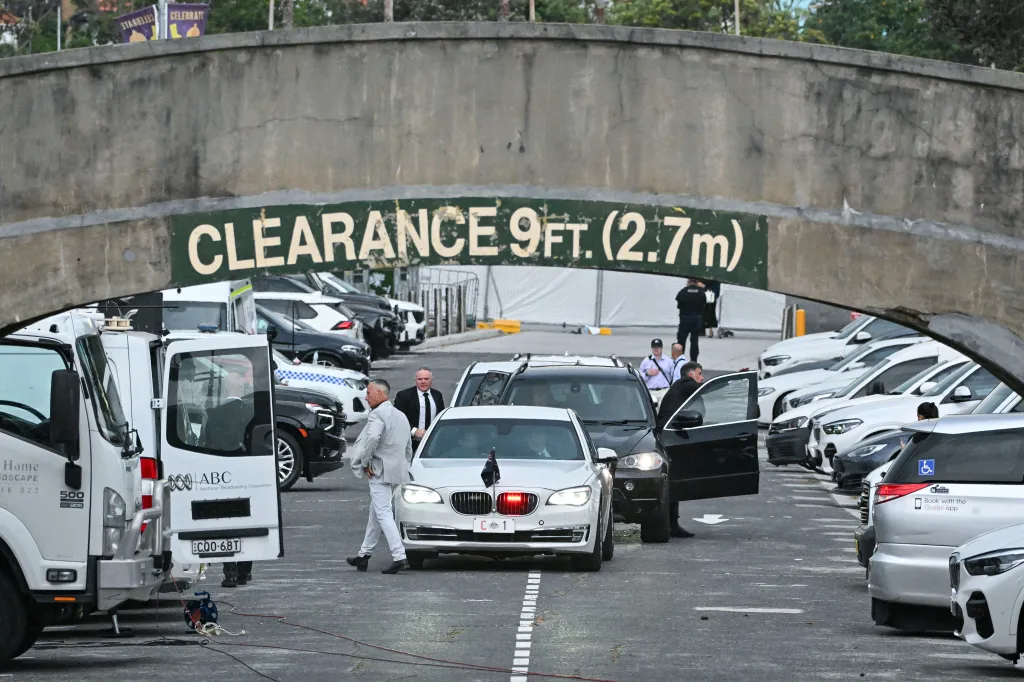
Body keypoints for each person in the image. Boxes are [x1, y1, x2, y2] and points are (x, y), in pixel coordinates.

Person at [346, 379, 415, 575]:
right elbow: (407, 446)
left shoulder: (377, 414)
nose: (366, 397)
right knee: (376, 513)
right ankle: (364, 555)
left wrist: (366, 462)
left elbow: (373, 438)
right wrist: (404, 466)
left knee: (383, 513)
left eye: (368, 393)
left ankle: (399, 556)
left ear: (380, 393)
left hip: (379, 470)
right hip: (396, 471)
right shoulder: (401, 415)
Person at [654, 361, 705, 539]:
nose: (701, 377)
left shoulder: (680, 387)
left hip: (668, 436)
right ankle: (669, 524)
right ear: (690, 375)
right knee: (672, 481)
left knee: (674, 481)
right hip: (667, 437)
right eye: (699, 374)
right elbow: (704, 388)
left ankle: (672, 524)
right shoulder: (686, 384)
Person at [393, 367, 446, 451]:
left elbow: (441, 416)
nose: (423, 382)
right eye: (420, 379)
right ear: (415, 380)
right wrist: (414, 431)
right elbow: (397, 419)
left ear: (431, 380)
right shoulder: (404, 395)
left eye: (426, 379)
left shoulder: (437, 395)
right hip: (410, 442)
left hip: (433, 443)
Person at [638, 338, 676, 407]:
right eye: (654, 347)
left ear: (661, 348)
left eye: (658, 347)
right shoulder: (646, 361)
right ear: (651, 348)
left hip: (664, 391)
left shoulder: (669, 361)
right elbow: (639, 377)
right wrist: (647, 374)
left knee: (664, 410)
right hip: (651, 391)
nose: (656, 349)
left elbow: (673, 376)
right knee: (652, 412)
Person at [675, 279, 706, 362]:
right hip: (696, 320)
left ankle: (680, 360)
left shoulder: (683, 291)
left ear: (689, 282)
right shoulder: (701, 292)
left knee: (681, 341)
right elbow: (704, 304)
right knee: (694, 341)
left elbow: (679, 305)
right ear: (696, 282)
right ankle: (694, 360)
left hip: (685, 319)